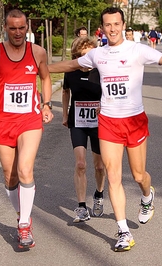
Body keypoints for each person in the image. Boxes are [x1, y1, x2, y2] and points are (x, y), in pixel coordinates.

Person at [48, 7, 162, 252]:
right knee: (113, 177)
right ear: (102, 28)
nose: (112, 29)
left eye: (116, 24)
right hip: (109, 122)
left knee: (138, 175)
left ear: (123, 25)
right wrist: (37, 68)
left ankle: (147, 197)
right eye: (108, 25)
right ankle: (123, 231)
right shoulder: (97, 55)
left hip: (134, 121)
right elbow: (69, 65)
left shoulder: (137, 50)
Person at [0, 8, 54, 249]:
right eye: (12, 28)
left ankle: (24, 225)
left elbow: (45, 78)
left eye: (21, 28)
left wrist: (46, 104)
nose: (17, 32)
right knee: (10, 176)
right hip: (3, 123)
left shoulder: (38, 52)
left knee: (25, 169)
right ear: (5, 28)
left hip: (30, 121)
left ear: (28, 27)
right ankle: (22, 215)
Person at [62, 37, 107, 223]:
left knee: (99, 165)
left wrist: (104, 108)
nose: (88, 55)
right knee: (81, 164)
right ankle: (81, 207)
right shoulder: (71, 72)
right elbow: (65, 92)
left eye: (91, 52)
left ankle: (99, 194)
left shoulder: (101, 72)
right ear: (77, 54)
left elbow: (108, 93)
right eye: (84, 52)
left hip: (98, 123)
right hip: (78, 122)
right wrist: (64, 115)